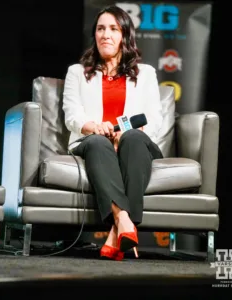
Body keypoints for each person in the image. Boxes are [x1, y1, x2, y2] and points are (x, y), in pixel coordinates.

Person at [62, 5, 163, 261]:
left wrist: (123, 132)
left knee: (133, 138)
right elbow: (72, 115)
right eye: (100, 29)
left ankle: (116, 232)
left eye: (113, 29)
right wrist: (95, 126)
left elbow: (154, 120)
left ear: (125, 35)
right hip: (93, 142)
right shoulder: (77, 72)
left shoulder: (146, 74)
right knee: (97, 142)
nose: (105, 35)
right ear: (94, 35)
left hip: (133, 142)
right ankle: (125, 221)